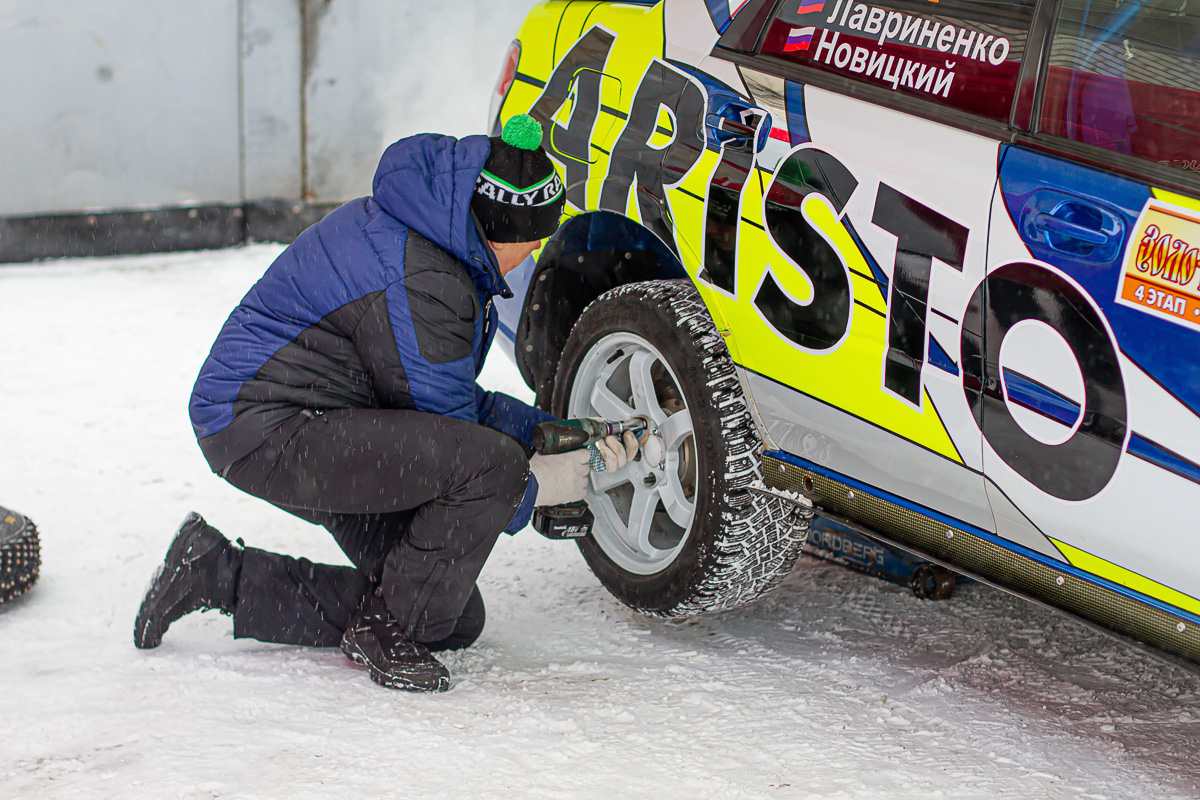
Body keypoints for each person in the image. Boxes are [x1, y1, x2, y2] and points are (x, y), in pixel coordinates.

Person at [133, 115, 639, 692]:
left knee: (441, 616)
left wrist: (552, 431)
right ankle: (380, 632)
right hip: (265, 425)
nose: (529, 258)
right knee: (490, 472)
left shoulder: (434, 232)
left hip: (323, 416)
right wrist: (542, 486)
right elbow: (460, 449)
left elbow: (449, 406)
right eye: (529, 246)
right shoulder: (425, 277)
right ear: (499, 233)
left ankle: (216, 573)